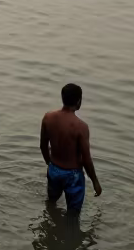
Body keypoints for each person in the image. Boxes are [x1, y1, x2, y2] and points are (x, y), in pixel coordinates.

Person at [40, 84, 102, 212]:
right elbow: (86, 160)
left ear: (62, 97)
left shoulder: (48, 118)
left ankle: (49, 226)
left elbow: (43, 146)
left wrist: (50, 164)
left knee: (51, 203)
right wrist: (95, 182)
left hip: (54, 170)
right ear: (79, 101)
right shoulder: (81, 127)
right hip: (72, 175)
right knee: (73, 215)